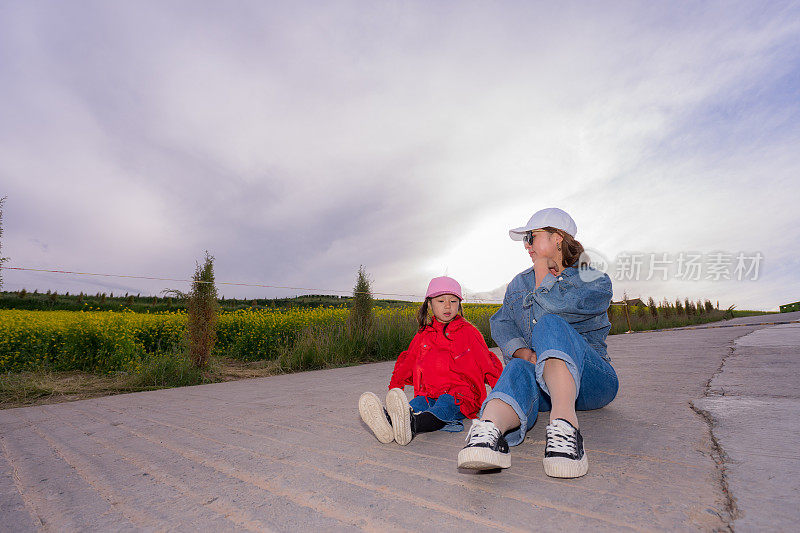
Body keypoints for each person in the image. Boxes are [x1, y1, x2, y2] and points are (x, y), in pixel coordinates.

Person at [457, 207, 619, 478]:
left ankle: (565, 426)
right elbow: (502, 321)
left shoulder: (593, 280)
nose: (527, 246)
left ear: (558, 238)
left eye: (531, 237)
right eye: (525, 240)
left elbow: (555, 309)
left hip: (593, 382)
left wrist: (543, 274)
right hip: (544, 385)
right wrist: (521, 351)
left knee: (550, 325)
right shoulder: (519, 283)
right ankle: (488, 433)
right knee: (519, 367)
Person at [359, 276, 503, 445]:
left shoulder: (469, 333)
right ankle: (389, 422)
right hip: (428, 393)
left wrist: (502, 396)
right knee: (415, 403)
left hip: (461, 397)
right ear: (429, 304)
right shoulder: (423, 335)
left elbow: (488, 365)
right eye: (441, 301)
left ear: (459, 304)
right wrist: (394, 390)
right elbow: (406, 364)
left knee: (444, 405)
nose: (448, 306)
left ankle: (413, 425)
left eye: (453, 301)